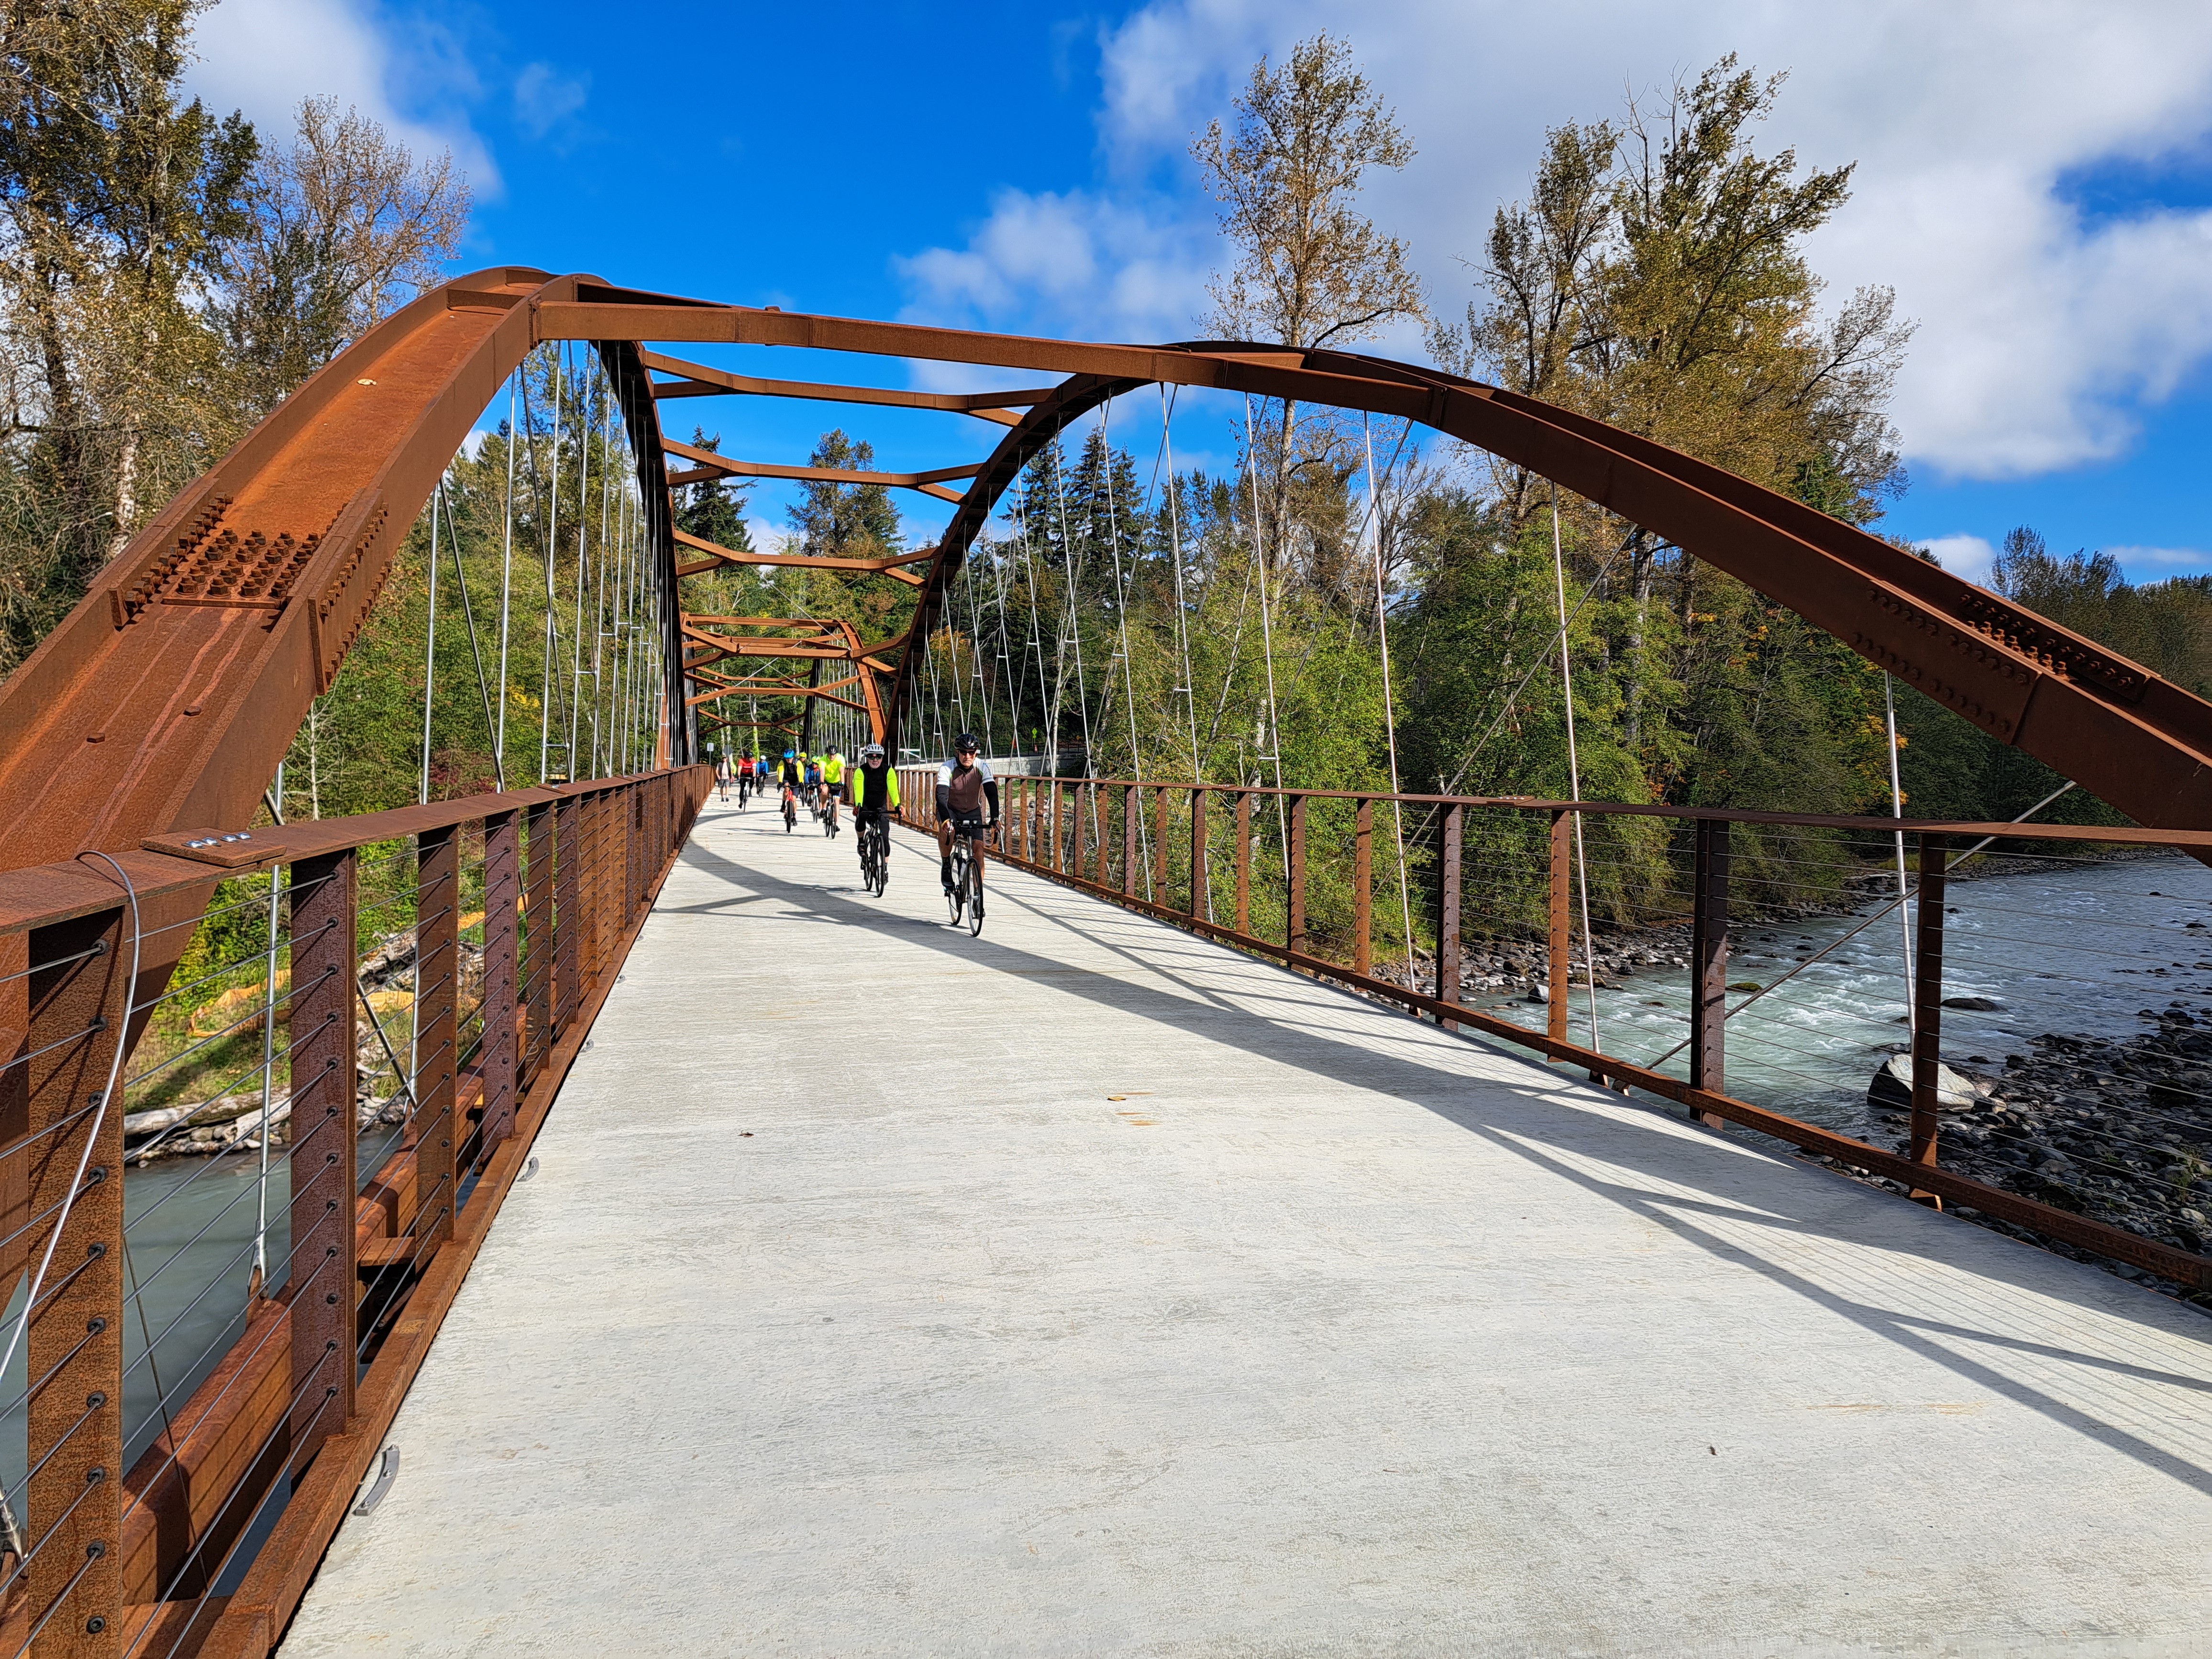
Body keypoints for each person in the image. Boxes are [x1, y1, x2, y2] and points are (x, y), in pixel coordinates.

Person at [935, 733, 997, 893]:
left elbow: (991, 790)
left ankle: (977, 894)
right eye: (964, 752)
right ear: (957, 752)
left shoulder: (981, 766)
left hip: (972, 811)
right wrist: (946, 819)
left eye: (972, 752)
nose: (967, 756)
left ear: (976, 752)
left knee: (979, 850)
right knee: (948, 831)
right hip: (951, 809)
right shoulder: (947, 768)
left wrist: (995, 817)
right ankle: (946, 865)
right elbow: (941, 796)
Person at [850, 742, 898, 865]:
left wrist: (898, 805)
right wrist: (859, 804)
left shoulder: (888, 771)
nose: (875, 760)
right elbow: (858, 788)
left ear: (882, 757)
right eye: (872, 757)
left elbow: (893, 789)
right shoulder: (861, 771)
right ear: (867, 757)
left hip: (881, 807)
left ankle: (885, 867)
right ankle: (861, 842)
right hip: (866, 805)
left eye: (878, 757)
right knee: (861, 817)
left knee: (885, 837)